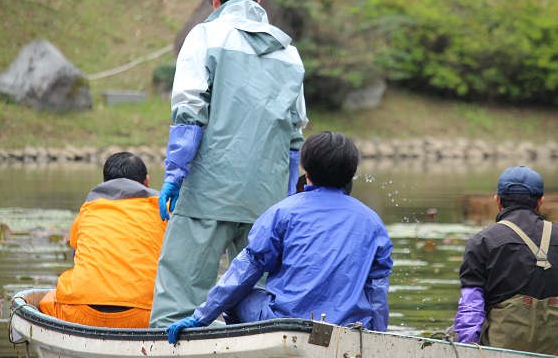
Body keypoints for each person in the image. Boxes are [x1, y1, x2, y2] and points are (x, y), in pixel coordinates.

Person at [150, 0, 308, 328]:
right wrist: (284, 199)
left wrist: (175, 174)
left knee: (179, 295)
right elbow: (295, 134)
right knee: (260, 295)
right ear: (259, 1)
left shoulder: (204, 36)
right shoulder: (289, 53)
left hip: (208, 189)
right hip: (265, 197)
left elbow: (189, 110)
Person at [165, 131, 393, 342]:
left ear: (307, 172)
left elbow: (245, 271)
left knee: (237, 299)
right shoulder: (373, 222)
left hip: (285, 324)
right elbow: (377, 292)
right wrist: (378, 339)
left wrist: (201, 317)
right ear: (350, 175)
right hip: (350, 327)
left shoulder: (282, 212)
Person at [451, 166, 558, 358]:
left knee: (450, 335)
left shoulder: (482, 241)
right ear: (540, 202)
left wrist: (468, 357)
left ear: (497, 201)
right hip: (557, 354)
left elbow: (471, 307)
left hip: (497, 355)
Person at [38, 152, 167, 328]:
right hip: (145, 316)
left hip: (81, 314)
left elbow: (76, 254)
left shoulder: (89, 209)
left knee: (44, 302)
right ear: (147, 181)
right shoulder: (164, 209)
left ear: (105, 182)